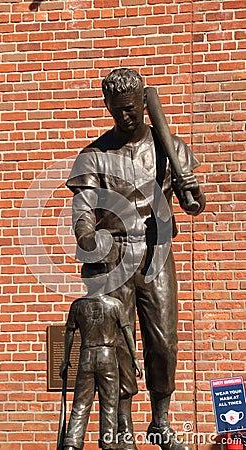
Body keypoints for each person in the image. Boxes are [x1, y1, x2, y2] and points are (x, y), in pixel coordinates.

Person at [66, 68, 206, 450]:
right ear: (108, 107)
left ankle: (160, 421)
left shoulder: (170, 148)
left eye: (130, 109)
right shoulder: (94, 155)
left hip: (156, 251)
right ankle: (122, 426)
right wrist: (87, 239)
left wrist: (192, 190)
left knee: (163, 340)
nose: (124, 117)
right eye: (116, 111)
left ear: (143, 102)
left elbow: (195, 206)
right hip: (113, 257)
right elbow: (83, 208)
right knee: (119, 343)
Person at [60, 262, 142, 450]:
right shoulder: (115, 305)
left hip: (86, 356)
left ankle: (72, 443)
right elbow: (127, 332)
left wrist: (66, 359)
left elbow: (69, 332)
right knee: (109, 405)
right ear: (105, 280)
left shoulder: (77, 306)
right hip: (107, 357)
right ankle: (108, 443)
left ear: (84, 280)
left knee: (80, 404)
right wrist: (135, 358)